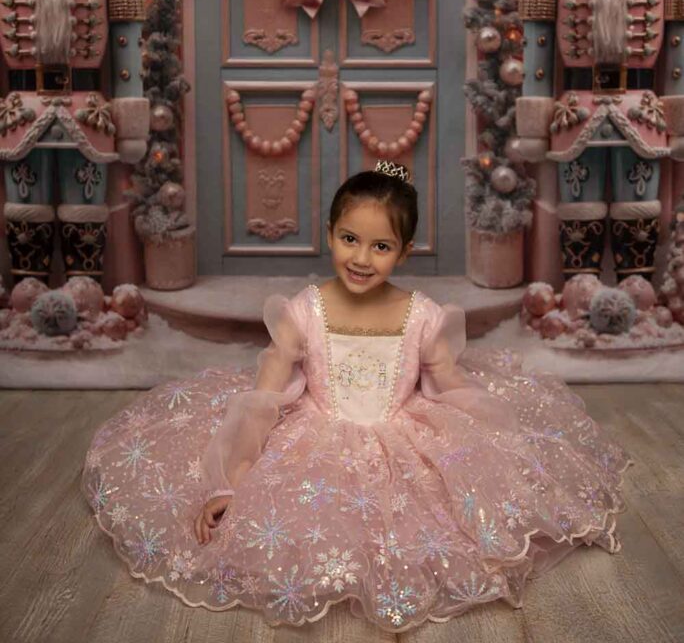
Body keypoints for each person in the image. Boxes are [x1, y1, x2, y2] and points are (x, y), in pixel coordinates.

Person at [83, 161, 630, 630]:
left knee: (442, 522)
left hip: (402, 436)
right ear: (329, 232)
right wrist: (231, 483)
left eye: (381, 246)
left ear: (406, 251)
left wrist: (504, 448)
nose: (362, 258)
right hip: (316, 434)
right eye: (350, 239)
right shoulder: (304, 310)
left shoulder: (423, 316)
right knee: (297, 527)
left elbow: (453, 388)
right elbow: (264, 398)